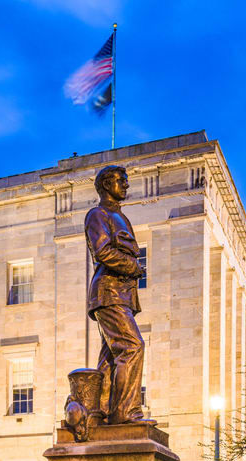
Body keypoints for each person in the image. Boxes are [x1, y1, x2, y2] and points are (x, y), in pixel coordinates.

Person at [85, 165, 154, 425]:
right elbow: (102, 252)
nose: (126, 185)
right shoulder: (97, 214)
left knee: (111, 357)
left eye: (126, 181)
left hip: (122, 295)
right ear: (105, 184)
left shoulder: (121, 217)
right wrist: (134, 267)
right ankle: (126, 412)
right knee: (132, 346)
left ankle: (100, 411)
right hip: (108, 293)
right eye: (120, 181)